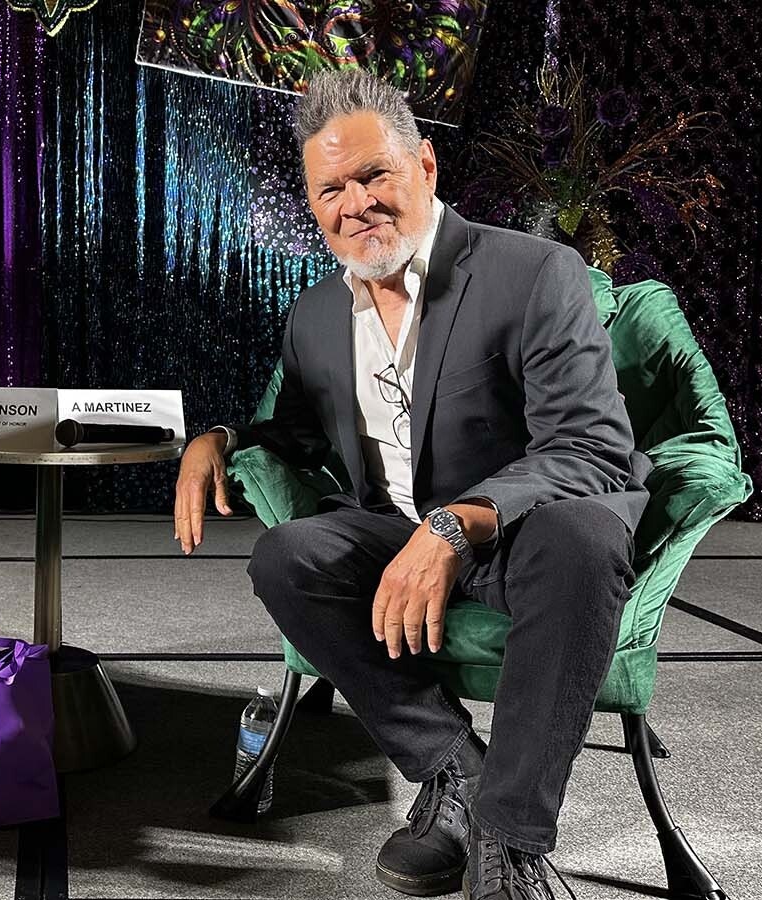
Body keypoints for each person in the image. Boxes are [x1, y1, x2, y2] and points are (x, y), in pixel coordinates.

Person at [173, 69, 650, 900]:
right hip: (394, 526)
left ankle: (507, 842)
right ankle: (454, 772)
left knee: (587, 537)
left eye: (374, 175)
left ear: (425, 166)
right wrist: (218, 438)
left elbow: (593, 445)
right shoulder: (316, 314)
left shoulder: (534, 272)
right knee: (289, 555)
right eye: (332, 189)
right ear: (313, 204)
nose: (355, 203)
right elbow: (293, 431)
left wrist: (457, 525)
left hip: (517, 529)